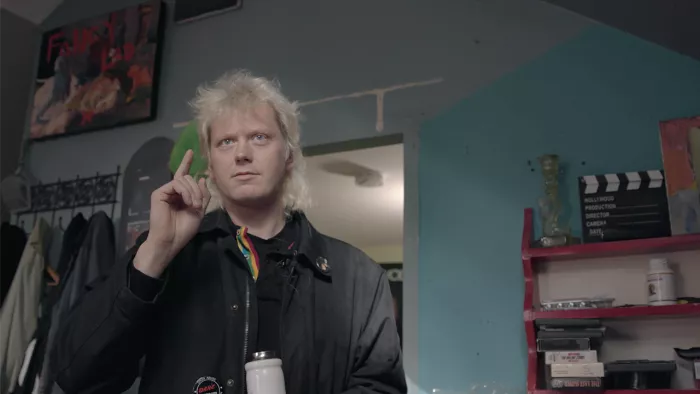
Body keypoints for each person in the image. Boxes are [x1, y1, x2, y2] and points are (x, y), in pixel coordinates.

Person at [52, 70, 406, 394]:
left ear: (289, 155)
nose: (241, 154)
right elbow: (77, 375)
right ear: (212, 163)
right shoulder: (166, 256)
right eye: (226, 142)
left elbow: (381, 388)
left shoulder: (358, 278)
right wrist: (155, 252)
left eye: (259, 137)